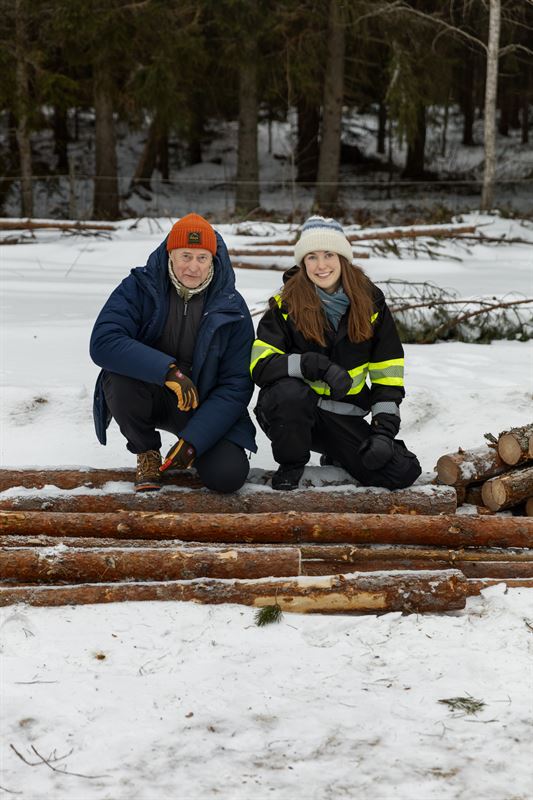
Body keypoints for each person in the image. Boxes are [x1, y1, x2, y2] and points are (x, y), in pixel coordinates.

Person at [250, 215, 422, 491]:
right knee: (288, 395)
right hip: (292, 417)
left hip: (343, 419)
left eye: (329, 254)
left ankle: (337, 455)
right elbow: (261, 365)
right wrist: (312, 365)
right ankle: (292, 464)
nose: (321, 265)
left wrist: (383, 432)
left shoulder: (371, 304)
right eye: (312, 257)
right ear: (303, 262)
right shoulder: (285, 305)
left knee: (402, 471)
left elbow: (388, 375)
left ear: (343, 258)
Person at [90, 213, 256, 492]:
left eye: (202, 258)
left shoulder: (231, 306)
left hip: (202, 404)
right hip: (150, 392)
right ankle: (146, 451)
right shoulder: (139, 287)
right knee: (118, 375)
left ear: (213, 260)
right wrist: (167, 372)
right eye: (185, 256)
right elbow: (103, 342)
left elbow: (236, 384)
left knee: (227, 476)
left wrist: (194, 441)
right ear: (170, 254)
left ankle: (191, 445)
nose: (193, 267)